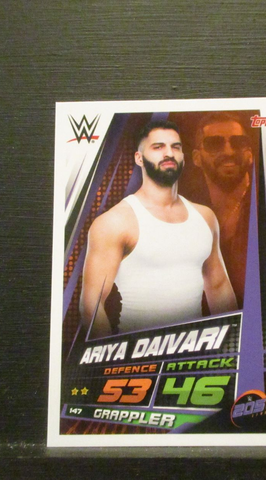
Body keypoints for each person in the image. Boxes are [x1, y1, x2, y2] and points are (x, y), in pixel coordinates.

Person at [80, 120, 237, 338]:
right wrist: (114, 356)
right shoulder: (115, 221)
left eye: (176, 147)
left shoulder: (205, 217)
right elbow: (91, 306)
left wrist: (232, 346)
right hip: (138, 351)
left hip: (197, 350)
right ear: (139, 158)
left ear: (183, 157)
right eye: (158, 147)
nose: (169, 153)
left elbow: (219, 287)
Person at [187, 112, 254, 307]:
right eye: (214, 144)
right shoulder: (186, 216)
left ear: (250, 155)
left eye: (238, 143)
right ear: (197, 158)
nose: (228, 151)